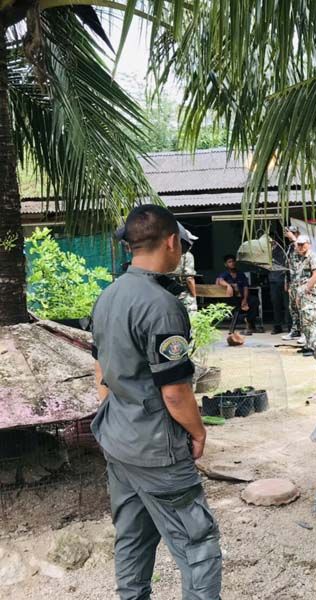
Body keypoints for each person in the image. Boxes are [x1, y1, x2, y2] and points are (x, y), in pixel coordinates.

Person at [91, 205, 222, 600]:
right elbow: (174, 391)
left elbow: (100, 372)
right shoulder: (162, 306)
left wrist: (119, 419)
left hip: (119, 440)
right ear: (170, 242)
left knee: (132, 537)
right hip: (157, 451)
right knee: (198, 546)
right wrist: (197, 432)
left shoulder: (108, 296)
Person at [292, 235, 316, 356]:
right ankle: (308, 345)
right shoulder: (301, 258)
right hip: (301, 292)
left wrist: (306, 289)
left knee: (311, 318)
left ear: (308, 244)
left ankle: (314, 346)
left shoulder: (311, 256)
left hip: (309, 293)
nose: (300, 247)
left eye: (302, 244)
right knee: (304, 319)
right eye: (299, 244)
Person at [216, 254, 260, 335]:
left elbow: (245, 287)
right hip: (232, 299)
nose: (232, 263)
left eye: (233, 261)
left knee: (254, 300)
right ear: (226, 264)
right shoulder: (225, 274)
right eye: (229, 262)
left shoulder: (240, 274)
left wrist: (245, 300)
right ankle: (246, 322)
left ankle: (250, 324)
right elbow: (219, 281)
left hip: (242, 298)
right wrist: (228, 285)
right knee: (238, 308)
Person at [281, 226, 305, 344]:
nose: (290, 235)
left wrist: (294, 239)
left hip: (302, 281)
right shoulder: (290, 247)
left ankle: (305, 333)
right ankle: (295, 330)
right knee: (293, 308)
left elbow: (302, 253)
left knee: (302, 308)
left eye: (292, 233)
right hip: (293, 281)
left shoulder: (302, 243)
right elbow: (287, 265)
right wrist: (287, 282)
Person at [172, 223, 199, 314]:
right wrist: (194, 296)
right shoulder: (187, 255)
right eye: (190, 240)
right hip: (183, 293)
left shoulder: (169, 254)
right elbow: (189, 278)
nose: (192, 243)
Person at [267, 235, 290, 335]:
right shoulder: (267, 252)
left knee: (287, 304)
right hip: (273, 280)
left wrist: (287, 280)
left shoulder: (282, 250)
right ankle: (277, 326)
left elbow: (287, 266)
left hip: (283, 280)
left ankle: (290, 326)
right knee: (276, 304)